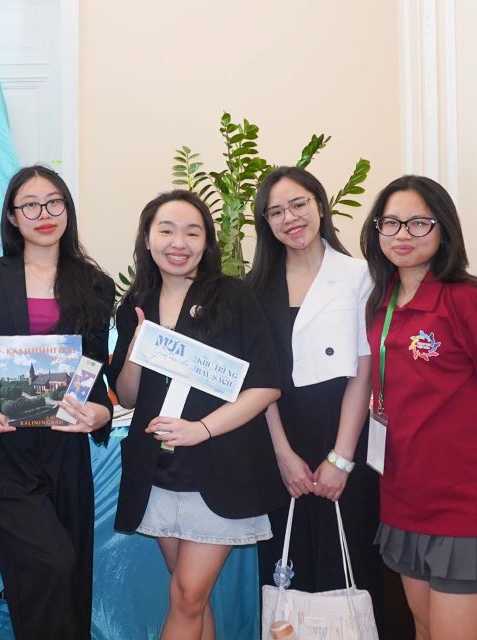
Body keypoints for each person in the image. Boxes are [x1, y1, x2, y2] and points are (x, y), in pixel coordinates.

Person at [359, 175, 477, 640]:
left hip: (469, 500)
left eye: (419, 222)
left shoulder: (470, 301)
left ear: (444, 231)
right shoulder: (382, 303)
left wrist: (466, 452)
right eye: (391, 222)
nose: (402, 234)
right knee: (423, 629)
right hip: (405, 495)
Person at [0, 165, 114, 640]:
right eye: (30, 205)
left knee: (67, 574)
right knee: (50, 559)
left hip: (64, 445)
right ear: (13, 217)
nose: (44, 213)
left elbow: (94, 369)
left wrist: (100, 413)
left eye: (54, 201)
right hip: (2, 448)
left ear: (67, 210)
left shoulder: (95, 284)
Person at [107, 190, 284, 640]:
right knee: (190, 597)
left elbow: (266, 385)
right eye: (166, 230)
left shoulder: (234, 297)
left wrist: (201, 430)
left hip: (221, 468)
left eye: (192, 232)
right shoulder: (136, 303)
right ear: (147, 239)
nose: (178, 242)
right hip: (160, 471)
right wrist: (135, 349)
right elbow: (126, 396)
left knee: (187, 596)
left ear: (207, 242)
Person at [246, 168, 383, 625]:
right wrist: (283, 454)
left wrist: (341, 459)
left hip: (343, 436)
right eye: (276, 211)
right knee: (285, 572)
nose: (290, 218)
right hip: (279, 441)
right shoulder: (255, 289)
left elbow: (363, 372)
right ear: (265, 223)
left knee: (350, 567)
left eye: (299, 204)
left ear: (320, 205)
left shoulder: (360, 275)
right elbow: (258, 382)